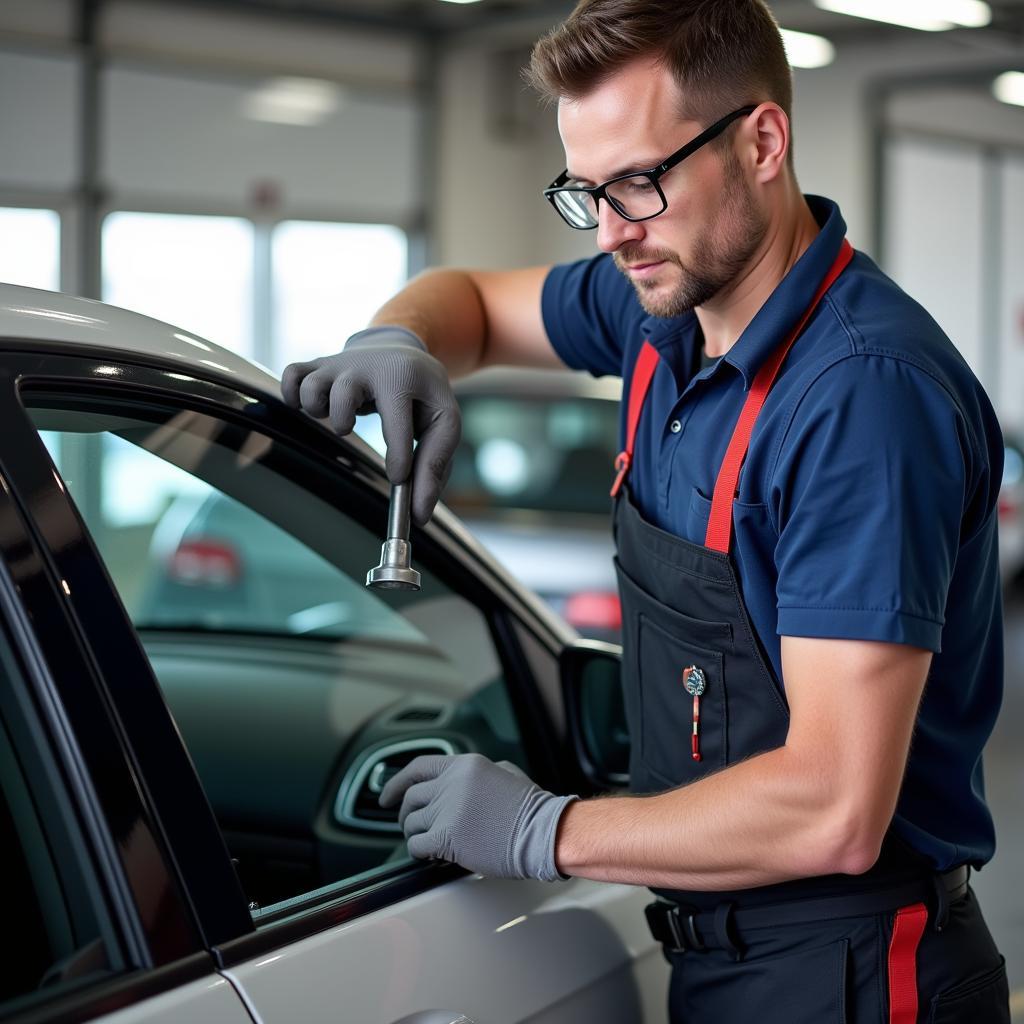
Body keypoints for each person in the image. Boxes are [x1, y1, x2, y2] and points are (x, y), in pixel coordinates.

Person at [281, 1, 1010, 1019]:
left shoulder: (861, 399)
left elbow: (836, 807)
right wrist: (398, 337)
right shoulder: (659, 304)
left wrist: (548, 830)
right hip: (721, 954)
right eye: (586, 192)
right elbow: (476, 305)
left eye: (639, 181)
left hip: (850, 969)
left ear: (761, 141)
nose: (615, 231)